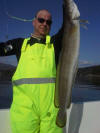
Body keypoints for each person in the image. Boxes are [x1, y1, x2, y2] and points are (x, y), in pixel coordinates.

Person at [0, 1, 80, 133]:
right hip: (24, 112)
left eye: (49, 22)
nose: (44, 24)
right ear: (34, 21)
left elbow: (68, 25)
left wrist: (66, 5)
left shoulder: (55, 43)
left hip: (51, 112)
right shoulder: (20, 44)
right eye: (41, 20)